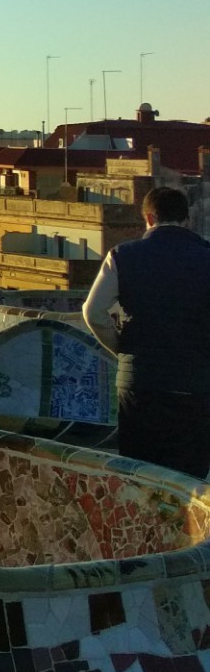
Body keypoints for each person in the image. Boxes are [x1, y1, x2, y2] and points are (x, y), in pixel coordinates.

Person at [82, 186, 210, 478]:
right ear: (186, 219)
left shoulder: (122, 255)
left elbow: (93, 312)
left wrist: (122, 349)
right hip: (195, 385)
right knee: (189, 481)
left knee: (140, 476)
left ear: (149, 218)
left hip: (139, 383)